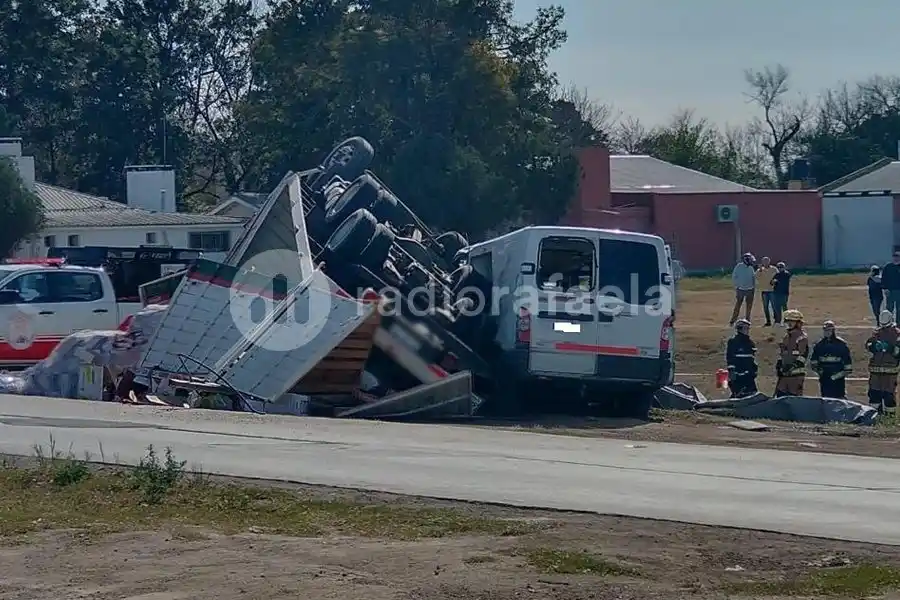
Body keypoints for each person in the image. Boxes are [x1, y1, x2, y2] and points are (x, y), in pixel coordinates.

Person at [865, 310, 900, 417]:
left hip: (890, 372)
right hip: (875, 371)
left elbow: (898, 352)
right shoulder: (877, 333)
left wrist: (890, 348)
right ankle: (874, 418)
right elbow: (868, 344)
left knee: (889, 396)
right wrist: (873, 346)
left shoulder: (897, 334)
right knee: (874, 396)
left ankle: (889, 419)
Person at [810, 320, 852, 399]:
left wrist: (835, 376)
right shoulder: (819, 345)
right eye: (825, 330)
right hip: (824, 379)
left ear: (833, 331)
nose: (827, 332)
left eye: (829, 330)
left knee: (839, 400)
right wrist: (820, 372)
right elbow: (814, 362)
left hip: (838, 380)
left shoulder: (841, 345)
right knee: (826, 399)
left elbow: (848, 367)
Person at [774, 309, 809, 397]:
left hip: (796, 376)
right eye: (787, 321)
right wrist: (780, 364)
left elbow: (803, 356)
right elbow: (784, 353)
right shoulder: (786, 337)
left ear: (798, 323)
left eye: (791, 322)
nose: (789, 324)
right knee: (780, 397)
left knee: (794, 400)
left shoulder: (801, 337)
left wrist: (791, 367)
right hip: (785, 375)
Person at [725, 318, 758, 397]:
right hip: (738, 375)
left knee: (752, 394)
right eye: (746, 328)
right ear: (740, 329)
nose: (747, 330)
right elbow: (730, 358)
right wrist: (732, 371)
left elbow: (752, 359)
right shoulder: (733, 342)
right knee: (737, 395)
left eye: (748, 328)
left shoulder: (750, 343)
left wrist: (754, 370)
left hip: (749, 375)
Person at [729, 252, 756, 325]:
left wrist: (753, 287)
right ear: (746, 260)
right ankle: (733, 319)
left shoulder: (751, 268)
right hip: (741, 289)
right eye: (750, 260)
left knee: (749, 305)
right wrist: (737, 286)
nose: (751, 261)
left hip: (750, 289)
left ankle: (747, 319)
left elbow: (753, 277)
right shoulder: (739, 266)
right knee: (738, 304)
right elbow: (734, 276)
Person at [758, 256, 778, 326]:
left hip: (772, 290)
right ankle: (768, 321)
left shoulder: (774, 269)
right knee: (765, 307)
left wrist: (775, 281)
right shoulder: (760, 270)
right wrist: (760, 270)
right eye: (764, 261)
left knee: (774, 306)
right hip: (764, 291)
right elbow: (757, 277)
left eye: (767, 261)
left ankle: (776, 320)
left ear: (769, 261)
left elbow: (778, 277)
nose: (765, 263)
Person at [881, 252, 900, 320]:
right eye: (895, 256)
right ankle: (889, 324)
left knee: (899, 309)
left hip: (899, 291)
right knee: (889, 308)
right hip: (890, 291)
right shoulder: (888, 267)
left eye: (897, 256)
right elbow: (883, 278)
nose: (896, 258)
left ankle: (898, 325)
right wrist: (885, 288)